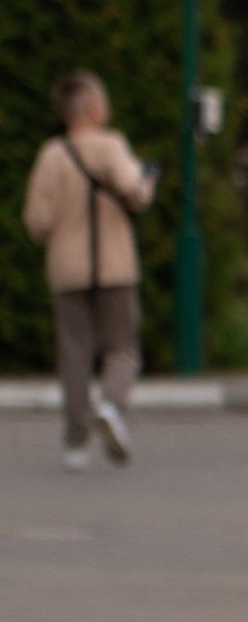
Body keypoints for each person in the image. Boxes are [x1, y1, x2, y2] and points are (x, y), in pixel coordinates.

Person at [22, 72, 157, 473]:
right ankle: (112, 406)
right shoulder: (112, 145)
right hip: (115, 266)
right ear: (93, 107)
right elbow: (134, 192)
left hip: (67, 269)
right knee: (122, 347)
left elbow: (37, 222)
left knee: (75, 355)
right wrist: (146, 184)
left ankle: (76, 443)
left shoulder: (51, 155)